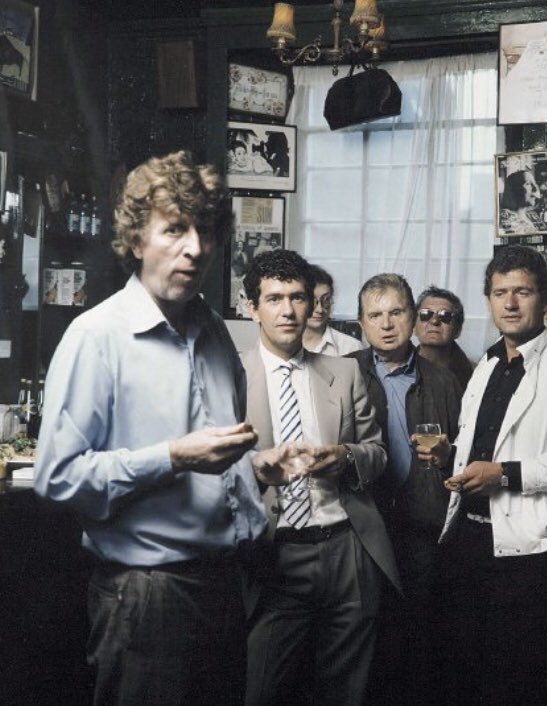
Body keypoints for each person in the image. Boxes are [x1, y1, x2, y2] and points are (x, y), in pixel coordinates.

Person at [33, 151, 268, 706]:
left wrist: (258, 469)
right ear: (137, 240)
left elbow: (213, 461)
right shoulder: (97, 337)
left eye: (206, 231)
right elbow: (57, 476)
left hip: (224, 586)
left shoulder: (214, 330)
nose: (195, 248)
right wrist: (174, 457)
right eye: (175, 229)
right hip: (146, 599)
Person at [430, 245, 547, 705]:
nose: (510, 304)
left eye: (522, 292)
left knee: (518, 681)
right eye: (500, 293)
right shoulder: (487, 367)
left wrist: (503, 475)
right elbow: (488, 445)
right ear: (489, 300)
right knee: (461, 674)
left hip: (531, 555)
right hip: (468, 540)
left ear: (542, 297)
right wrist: (450, 456)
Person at [241, 249, 401, 706]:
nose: (288, 311)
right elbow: (210, 473)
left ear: (313, 305)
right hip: (274, 553)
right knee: (263, 690)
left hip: (347, 549)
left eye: (298, 298)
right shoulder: (233, 374)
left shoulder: (344, 371)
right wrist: (256, 468)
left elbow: (378, 454)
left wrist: (346, 457)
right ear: (252, 307)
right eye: (274, 299)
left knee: (346, 691)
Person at [347, 273, 462, 706]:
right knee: (363, 635)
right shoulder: (345, 374)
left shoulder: (444, 381)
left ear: (413, 318)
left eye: (396, 312)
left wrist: (448, 455)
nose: (387, 323)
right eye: (375, 315)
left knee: (418, 637)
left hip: (423, 525)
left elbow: (463, 454)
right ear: (361, 324)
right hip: (364, 525)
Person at [414, 284, 474, 390]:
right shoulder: (396, 367)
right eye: (426, 314)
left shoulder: (477, 375)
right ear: (414, 326)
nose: (434, 321)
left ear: (458, 329)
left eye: (445, 316)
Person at [302, 264, 363, 356]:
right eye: (312, 301)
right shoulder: (282, 344)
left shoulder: (351, 347)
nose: (320, 309)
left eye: (326, 300)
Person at [499, 169, 547, 234]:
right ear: (515, 190)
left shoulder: (531, 215)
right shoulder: (505, 217)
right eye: (528, 184)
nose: (536, 189)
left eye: (534, 183)